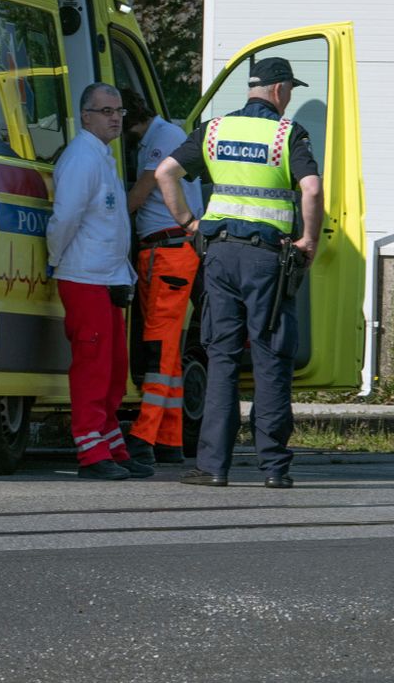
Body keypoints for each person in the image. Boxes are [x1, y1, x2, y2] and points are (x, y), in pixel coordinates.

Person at [154, 56, 322, 489]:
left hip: (219, 255)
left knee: (222, 359)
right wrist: (309, 240)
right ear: (279, 89)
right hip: (267, 259)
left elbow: (165, 172)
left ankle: (213, 466)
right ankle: (274, 469)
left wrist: (188, 223)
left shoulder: (213, 129)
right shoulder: (287, 134)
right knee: (270, 357)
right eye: (290, 91)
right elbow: (311, 188)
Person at [46, 83, 151, 481]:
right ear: (85, 116)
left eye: (119, 111)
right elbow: (66, 217)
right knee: (93, 368)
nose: (115, 118)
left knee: (112, 369)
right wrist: (56, 259)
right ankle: (91, 451)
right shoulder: (82, 158)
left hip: (106, 277)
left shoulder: (102, 157)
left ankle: (110, 445)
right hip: (84, 276)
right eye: (106, 111)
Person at [118, 89, 204, 466]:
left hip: (168, 252)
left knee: (159, 347)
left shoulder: (164, 137)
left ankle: (144, 435)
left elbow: (139, 196)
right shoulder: (160, 136)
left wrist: (103, 215)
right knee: (167, 350)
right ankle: (169, 438)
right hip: (167, 252)